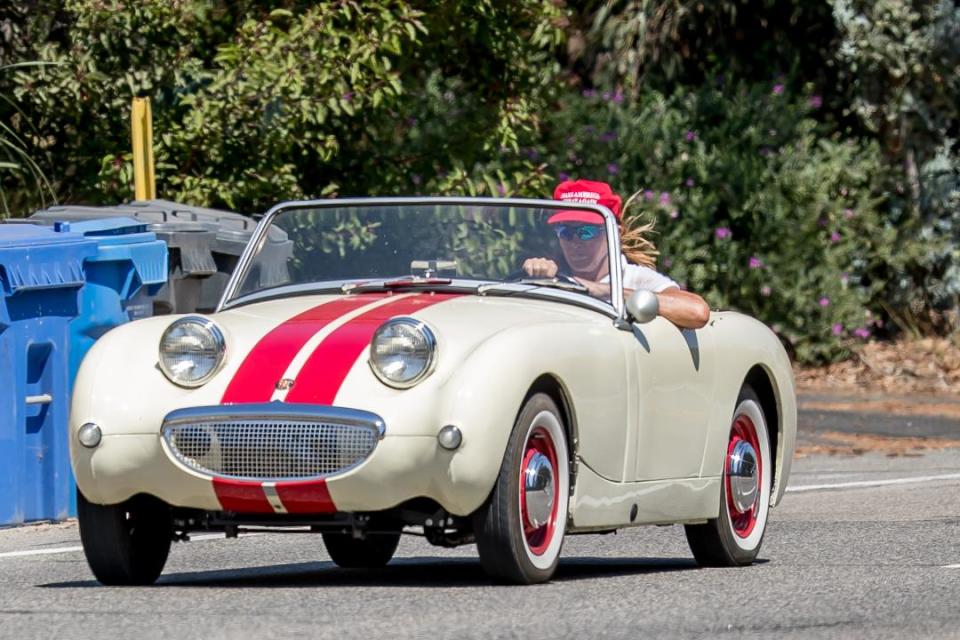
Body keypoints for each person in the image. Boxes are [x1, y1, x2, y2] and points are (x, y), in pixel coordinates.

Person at [523, 179, 710, 329]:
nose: (575, 242)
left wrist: (605, 290)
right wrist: (533, 276)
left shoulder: (635, 278)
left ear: (615, 232)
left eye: (587, 231)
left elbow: (697, 312)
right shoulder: (551, 277)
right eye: (565, 231)